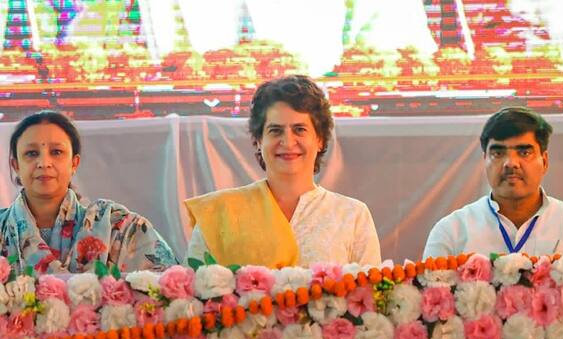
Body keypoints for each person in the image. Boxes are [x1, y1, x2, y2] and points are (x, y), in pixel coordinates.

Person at [185, 75, 381, 267]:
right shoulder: (219, 213)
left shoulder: (352, 215)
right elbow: (193, 286)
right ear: (259, 141)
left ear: (320, 140)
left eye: (299, 129)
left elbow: (371, 289)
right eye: (275, 130)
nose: (287, 142)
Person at [0, 110, 177, 273]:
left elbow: (167, 286)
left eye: (56, 152)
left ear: (74, 163)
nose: (44, 163)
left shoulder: (119, 228)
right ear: (16, 165)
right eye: (32, 153)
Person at [423, 106, 563, 258]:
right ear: (484, 160)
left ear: (544, 161)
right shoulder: (451, 231)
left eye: (524, 152)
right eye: (498, 153)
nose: (511, 163)